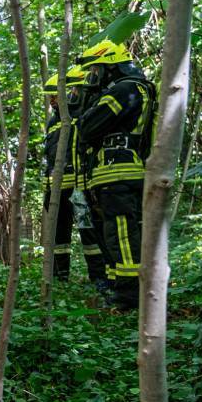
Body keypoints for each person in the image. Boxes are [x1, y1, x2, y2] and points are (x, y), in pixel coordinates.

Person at [75, 39, 157, 309]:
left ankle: (129, 297)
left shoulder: (123, 90)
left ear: (110, 67)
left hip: (117, 173)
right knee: (124, 233)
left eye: (95, 70)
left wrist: (88, 110)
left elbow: (88, 127)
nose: (92, 77)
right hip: (126, 171)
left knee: (121, 234)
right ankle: (123, 288)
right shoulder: (139, 88)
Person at [42, 68, 109, 291]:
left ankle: (99, 278)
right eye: (50, 96)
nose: (52, 100)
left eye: (55, 95)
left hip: (80, 188)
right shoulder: (53, 122)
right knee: (58, 237)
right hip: (56, 189)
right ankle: (59, 277)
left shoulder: (84, 113)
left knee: (89, 233)